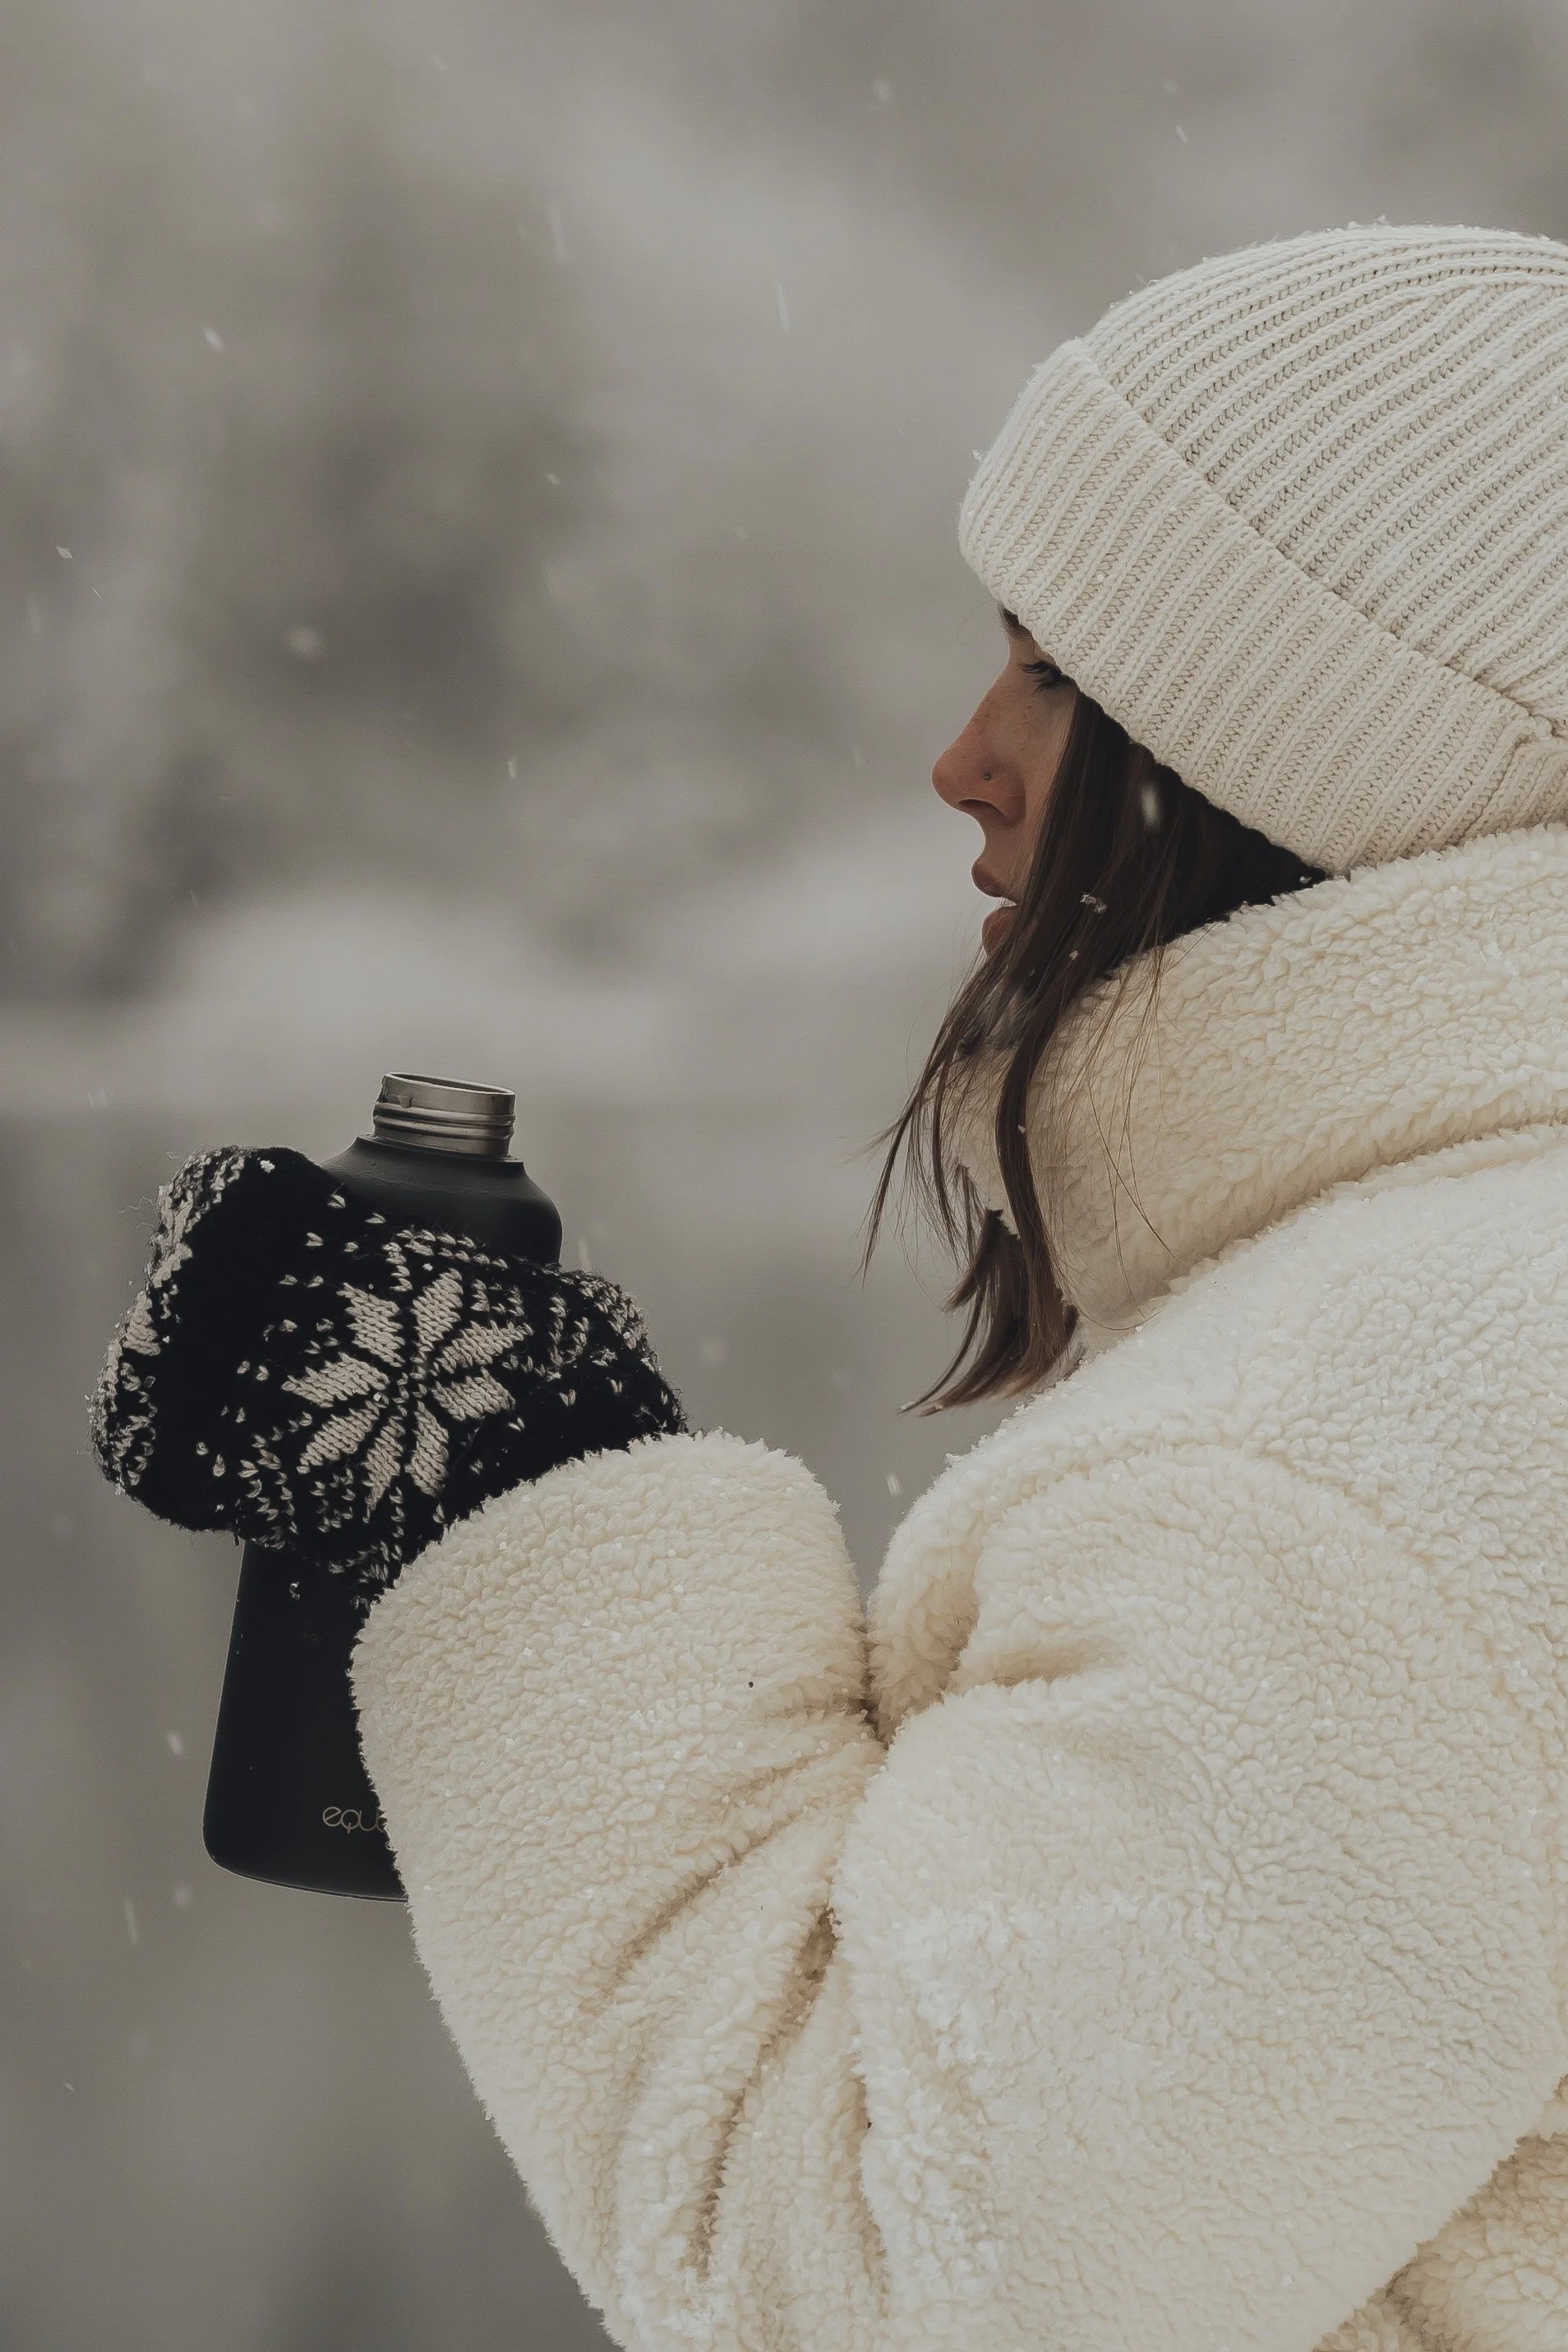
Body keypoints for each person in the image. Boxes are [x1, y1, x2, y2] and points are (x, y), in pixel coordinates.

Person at [93, 224, 1568, 2351]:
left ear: (1323, 750)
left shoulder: (1381, 1455)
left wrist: (500, 1489)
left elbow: (889, 2281)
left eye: (1054, 670)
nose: (964, 755)